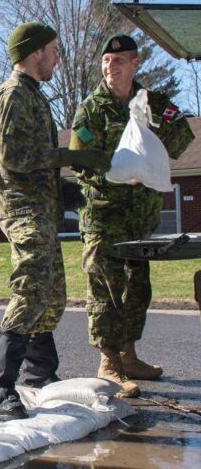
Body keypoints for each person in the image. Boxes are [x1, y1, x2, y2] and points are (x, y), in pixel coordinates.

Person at [0, 22, 111, 422]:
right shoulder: (13, 95)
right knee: (34, 283)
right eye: (54, 49)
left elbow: (36, 159)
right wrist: (70, 159)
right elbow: (13, 158)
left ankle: (39, 374)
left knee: (53, 293)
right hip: (19, 207)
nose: (58, 56)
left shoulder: (37, 97)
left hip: (40, 205)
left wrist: (65, 189)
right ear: (35, 52)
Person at [69, 34, 194, 397]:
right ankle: (109, 362)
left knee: (138, 288)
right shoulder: (91, 109)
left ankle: (130, 355)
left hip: (140, 215)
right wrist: (112, 172)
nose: (111, 67)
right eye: (107, 61)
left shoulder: (151, 102)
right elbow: (79, 160)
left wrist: (151, 130)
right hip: (104, 214)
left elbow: (181, 138)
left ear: (135, 63)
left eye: (119, 61)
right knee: (106, 287)